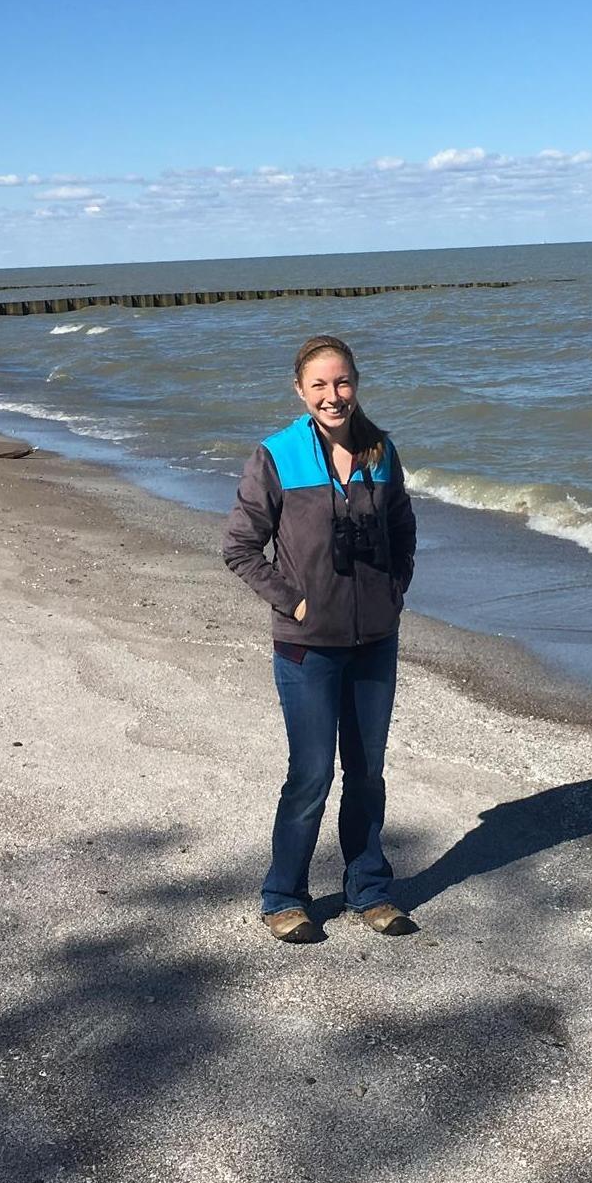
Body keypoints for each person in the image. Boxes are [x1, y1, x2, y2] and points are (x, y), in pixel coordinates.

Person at [223, 334, 419, 943]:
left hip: (374, 641)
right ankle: (284, 895)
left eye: (342, 383)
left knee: (367, 773)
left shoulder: (380, 451)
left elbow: (403, 527)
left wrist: (394, 591)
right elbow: (240, 548)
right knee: (310, 774)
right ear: (300, 390)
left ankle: (370, 888)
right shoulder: (276, 455)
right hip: (307, 646)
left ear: (356, 383)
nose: (333, 396)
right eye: (319, 386)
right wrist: (296, 600)